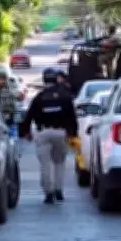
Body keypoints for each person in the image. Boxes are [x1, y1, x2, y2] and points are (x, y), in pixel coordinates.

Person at [19, 67, 79, 204]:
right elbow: (72, 117)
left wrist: (25, 132)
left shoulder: (39, 97)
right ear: (56, 79)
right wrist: (73, 134)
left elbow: (29, 116)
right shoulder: (65, 96)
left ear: (44, 79)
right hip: (61, 133)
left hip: (43, 133)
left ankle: (49, 193)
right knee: (60, 162)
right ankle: (59, 190)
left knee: (45, 164)